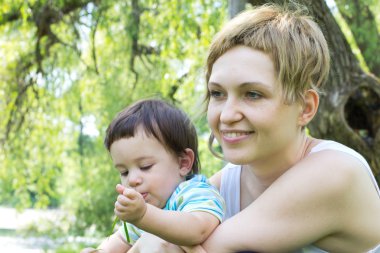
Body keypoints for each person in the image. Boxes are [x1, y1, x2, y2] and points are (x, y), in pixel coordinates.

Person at [132, 3, 380, 253]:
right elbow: (142, 237)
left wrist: (155, 240)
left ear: (305, 108)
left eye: (252, 94)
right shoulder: (223, 185)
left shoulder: (335, 172)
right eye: (217, 93)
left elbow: (174, 246)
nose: (227, 115)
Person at [80, 98, 225, 253]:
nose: (132, 180)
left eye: (145, 166)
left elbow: (198, 229)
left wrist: (143, 216)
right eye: (124, 172)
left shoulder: (195, 193)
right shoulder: (144, 209)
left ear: (183, 163)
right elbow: (121, 239)